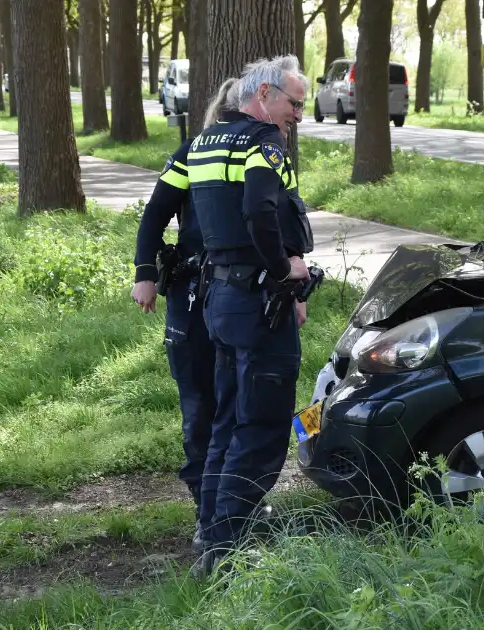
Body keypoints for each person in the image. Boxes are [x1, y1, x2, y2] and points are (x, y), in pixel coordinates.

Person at [187, 54, 313, 577]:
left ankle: (211, 537)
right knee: (259, 431)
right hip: (260, 306)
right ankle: (229, 554)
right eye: (294, 103)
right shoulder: (265, 142)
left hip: (221, 301)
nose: (299, 116)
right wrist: (284, 268)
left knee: (226, 424)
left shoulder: (205, 141)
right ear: (264, 96)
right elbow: (260, 209)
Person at [131, 77, 243, 554]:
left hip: (242, 298)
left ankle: (237, 503)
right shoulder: (191, 154)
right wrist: (145, 273)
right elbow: (155, 216)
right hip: (194, 295)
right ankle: (206, 509)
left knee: (241, 404)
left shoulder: (261, 155)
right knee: (200, 405)